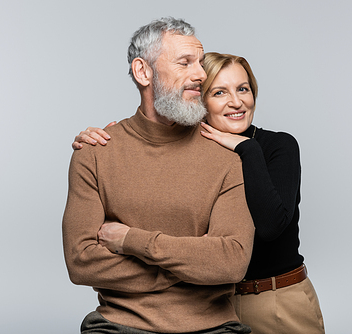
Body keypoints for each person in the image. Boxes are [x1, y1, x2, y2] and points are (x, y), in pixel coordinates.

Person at [74, 51, 325, 334]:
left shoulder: (277, 146)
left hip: (276, 300)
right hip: (213, 306)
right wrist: (115, 140)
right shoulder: (194, 153)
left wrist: (247, 149)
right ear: (197, 99)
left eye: (243, 89)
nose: (236, 101)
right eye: (219, 92)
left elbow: (270, 227)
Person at [63, 18, 255, 334]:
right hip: (119, 325)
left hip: (214, 327)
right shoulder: (95, 152)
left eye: (200, 63)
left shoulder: (226, 156)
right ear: (143, 72)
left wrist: (132, 242)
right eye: (185, 63)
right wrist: (188, 263)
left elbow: (232, 261)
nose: (201, 75)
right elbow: (81, 260)